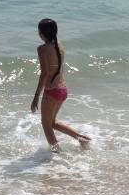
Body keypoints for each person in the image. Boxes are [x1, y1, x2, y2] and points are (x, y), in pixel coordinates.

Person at [31, 18, 90, 150]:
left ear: (40, 33)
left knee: (46, 125)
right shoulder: (59, 44)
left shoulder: (42, 49)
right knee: (52, 123)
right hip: (62, 89)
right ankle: (81, 138)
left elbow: (45, 74)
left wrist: (36, 96)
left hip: (52, 92)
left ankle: (56, 153)